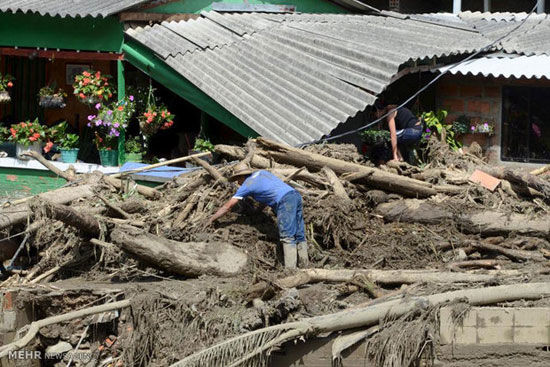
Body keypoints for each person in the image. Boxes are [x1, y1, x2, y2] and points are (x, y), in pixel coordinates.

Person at [207, 163, 308, 269]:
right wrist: (257, 211)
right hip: (294, 195)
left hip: (284, 201)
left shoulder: (247, 185)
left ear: (241, 176)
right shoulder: (262, 173)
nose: (238, 183)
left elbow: (228, 206)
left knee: (287, 236)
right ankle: (305, 267)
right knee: (299, 234)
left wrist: (212, 219)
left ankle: (291, 272)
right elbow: (268, 192)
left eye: (237, 179)